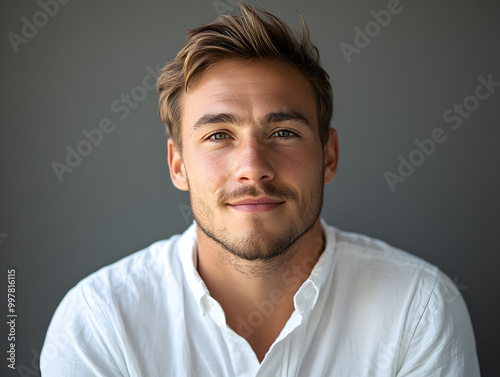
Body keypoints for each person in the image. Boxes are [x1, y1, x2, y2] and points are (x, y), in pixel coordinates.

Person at [41, 4, 480, 376]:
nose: (253, 168)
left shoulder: (418, 309)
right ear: (178, 165)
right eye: (218, 136)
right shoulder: (98, 321)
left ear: (328, 156)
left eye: (284, 132)